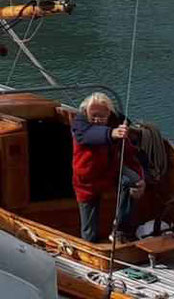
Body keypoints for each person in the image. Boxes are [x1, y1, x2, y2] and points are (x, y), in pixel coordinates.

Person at [71, 92, 143, 243]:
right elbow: (88, 135)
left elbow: (129, 154)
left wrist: (140, 178)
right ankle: (90, 245)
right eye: (93, 116)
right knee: (89, 232)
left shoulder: (117, 123)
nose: (96, 120)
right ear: (86, 113)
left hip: (110, 174)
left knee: (132, 183)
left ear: (109, 114)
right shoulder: (80, 125)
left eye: (101, 116)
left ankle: (120, 231)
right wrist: (112, 133)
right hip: (87, 182)